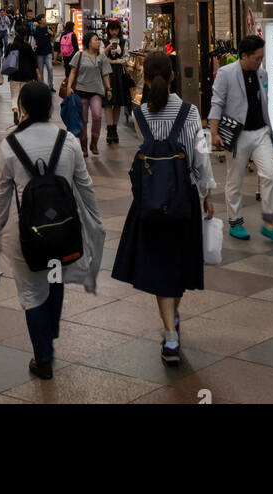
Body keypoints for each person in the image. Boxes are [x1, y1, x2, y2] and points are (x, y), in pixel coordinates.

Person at [0, 81, 106, 380]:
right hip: (63, 231)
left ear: (25, 109)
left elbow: (2, 194)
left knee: (31, 292)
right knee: (55, 279)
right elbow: (85, 186)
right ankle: (50, 334)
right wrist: (95, 223)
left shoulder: (10, 145)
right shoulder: (67, 141)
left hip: (26, 234)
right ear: (52, 108)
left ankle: (43, 356)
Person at [112, 52, 215, 366]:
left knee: (160, 265)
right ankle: (172, 329)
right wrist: (207, 192)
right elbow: (201, 155)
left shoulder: (139, 113)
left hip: (150, 201)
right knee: (179, 262)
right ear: (172, 76)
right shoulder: (190, 111)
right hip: (183, 199)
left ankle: (170, 330)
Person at [208, 34, 273, 245]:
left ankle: (269, 223)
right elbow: (216, 103)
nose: (260, 62)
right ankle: (235, 222)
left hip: (261, 132)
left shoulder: (262, 75)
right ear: (244, 56)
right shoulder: (226, 74)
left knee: (270, 174)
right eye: (257, 58)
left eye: (261, 58)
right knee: (235, 180)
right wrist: (214, 133)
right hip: (237, 134)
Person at [66, 29, 112, 157]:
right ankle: (84, 145)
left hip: (96, 91)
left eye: (98, 40)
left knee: (97, 116)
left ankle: (94, 142)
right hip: (81, 91)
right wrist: (69, 87)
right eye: (96, 40)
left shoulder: (102, 57)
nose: (98, 42)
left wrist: (109, 89)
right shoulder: (79, 55)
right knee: (84, 119)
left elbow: (105, 74)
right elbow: (73, 72)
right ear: (89, 42)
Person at [102, 22, 130, 144]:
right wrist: (107, 49)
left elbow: (127, 58)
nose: (114, 32)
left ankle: (114, 130)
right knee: (108, 103)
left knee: (117, 102)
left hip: (119, 73)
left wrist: (114, 61)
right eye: (112, 29)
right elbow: (101, 57)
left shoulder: (124, 42)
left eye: (116, 29)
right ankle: (109, 131)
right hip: (107, 74)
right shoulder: (103, 42)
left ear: (119, 30)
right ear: (108, 30)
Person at [7, 24, 40, 124]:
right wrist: (37, 74)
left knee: (14, 96)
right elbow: (34, 61)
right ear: (25, 36)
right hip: (27, 75)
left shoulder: (12, 46)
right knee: (23, 98)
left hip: (14, 74)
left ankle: (15, 109)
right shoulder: (28, 47)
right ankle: (22, 117)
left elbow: (6, 58)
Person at [32, 17, 54, 90]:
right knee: (40, 70)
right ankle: (42, 86)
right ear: (40, 21)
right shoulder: (36, 29)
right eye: (43, 18)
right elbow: (32, 38)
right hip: (39, 52)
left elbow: (53, 40)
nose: (45, 19)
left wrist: (52, 34)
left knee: (50, 68)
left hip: (48, 52)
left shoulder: (48, 28)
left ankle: (50, 86)